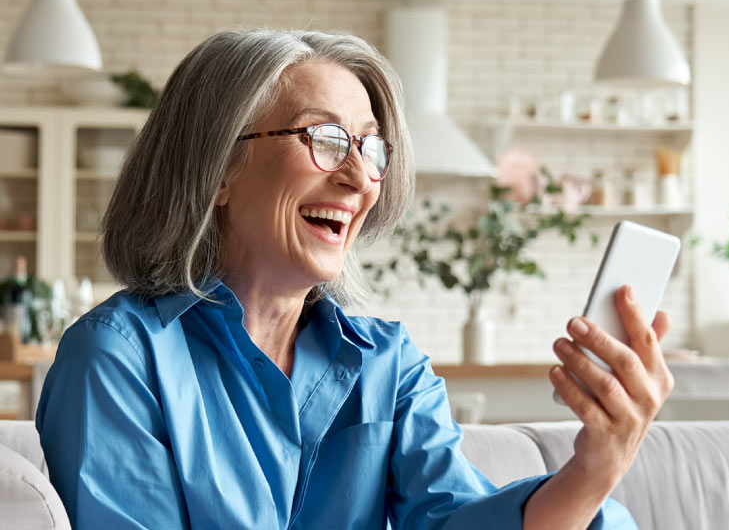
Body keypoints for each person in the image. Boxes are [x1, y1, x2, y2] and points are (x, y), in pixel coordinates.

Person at [36, 29, 674, 529]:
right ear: (218, 168)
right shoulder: (118, 358)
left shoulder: (389, 366)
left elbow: (458, 521)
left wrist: (596, 467)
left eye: (370, 148)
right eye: (326, 138)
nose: (361, 177)